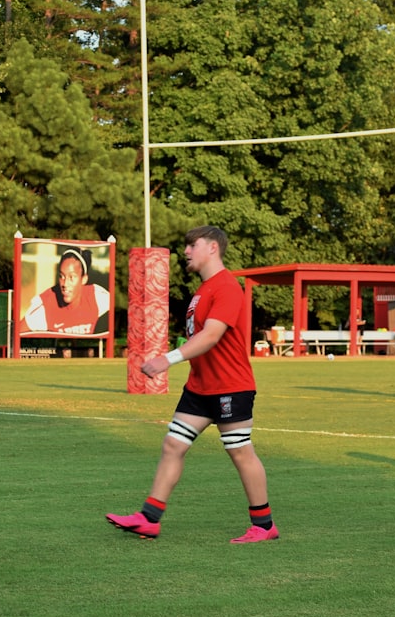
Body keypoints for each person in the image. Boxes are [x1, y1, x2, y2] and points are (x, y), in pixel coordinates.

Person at [106, 225, 279, 543]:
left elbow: (211, 336)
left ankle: (264, 525)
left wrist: (166, 360)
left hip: (230, 386)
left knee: (239, 451)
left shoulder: (226, 287)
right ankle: (148, 519)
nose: (185, 251)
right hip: (200, 387)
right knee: (173, 445)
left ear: (212, 247)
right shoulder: (202, 292)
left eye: (192, 245)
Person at [19, 247, 110, 335]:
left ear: (84, 279)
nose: (65, 284)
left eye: (72, 277)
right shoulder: (45, 308)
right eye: (62, 276)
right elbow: (15, 337)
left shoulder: (97, 297)